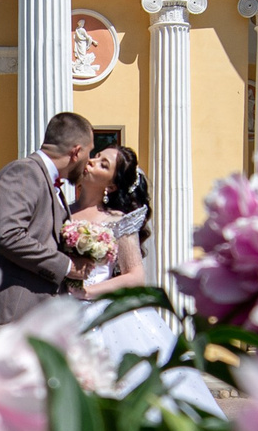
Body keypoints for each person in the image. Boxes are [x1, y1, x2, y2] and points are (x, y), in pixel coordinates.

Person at [61, 144, 219, 416]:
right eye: (96, 157)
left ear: (110, 186)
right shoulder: (62, 210)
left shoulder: (116, 220)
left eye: (103, 165)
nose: (92, 162)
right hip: (60, 304)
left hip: (102, 310)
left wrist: (88, 291)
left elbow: (135, 276)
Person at [0, 113, 97, 327]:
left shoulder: (48, 182)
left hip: (39, 319)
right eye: (89, 153)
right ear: (76, 152)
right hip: (14, 319)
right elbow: (8, 235)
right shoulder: (24, 173)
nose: (88, 163)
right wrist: (67, 265)